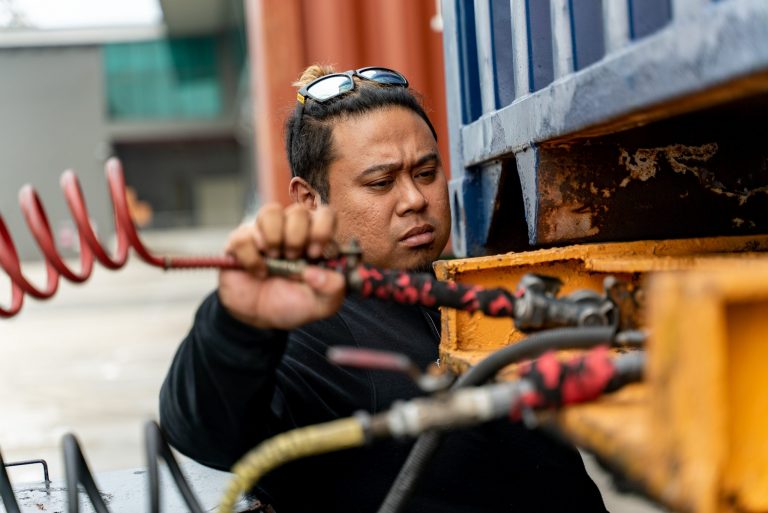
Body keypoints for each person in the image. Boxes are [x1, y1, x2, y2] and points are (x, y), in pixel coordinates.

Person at [160, 65, 607, 513]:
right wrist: (237, 327)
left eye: (427, 173)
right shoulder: (314, 332)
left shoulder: (469, 287)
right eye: (381, 182)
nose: (414, 198)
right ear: (310, 200)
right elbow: (205, 431)